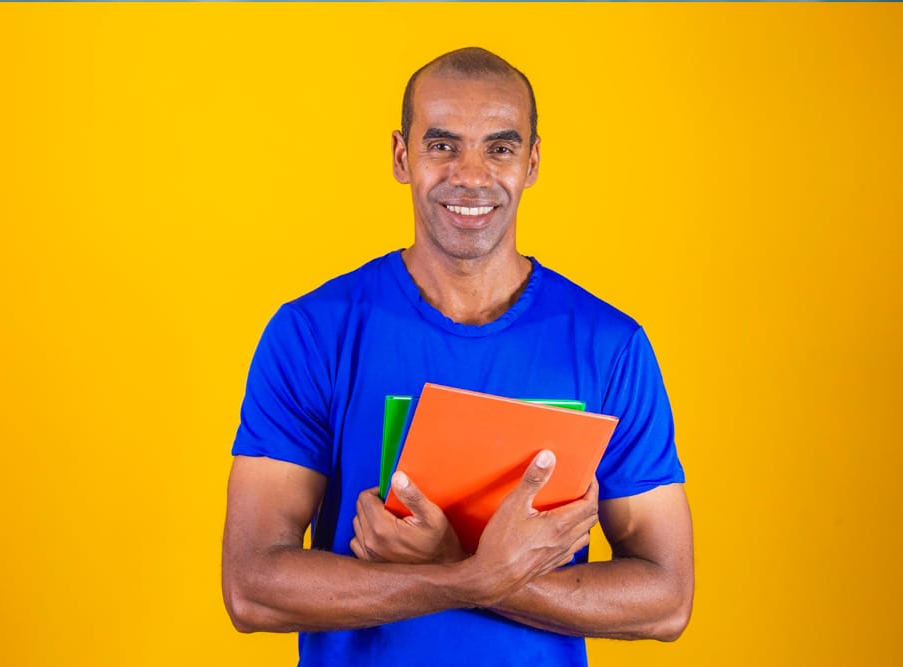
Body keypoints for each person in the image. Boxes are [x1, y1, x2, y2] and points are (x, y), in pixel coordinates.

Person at [222, 47, 693, 667]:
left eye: (499, 148)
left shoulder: (611, 347)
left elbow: (665, 600)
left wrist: (454, 566)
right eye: (442, 146)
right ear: (401, 156)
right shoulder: (313, 332)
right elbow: (253, 588)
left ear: (531, 162)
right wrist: (471, 579)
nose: (470, 175)